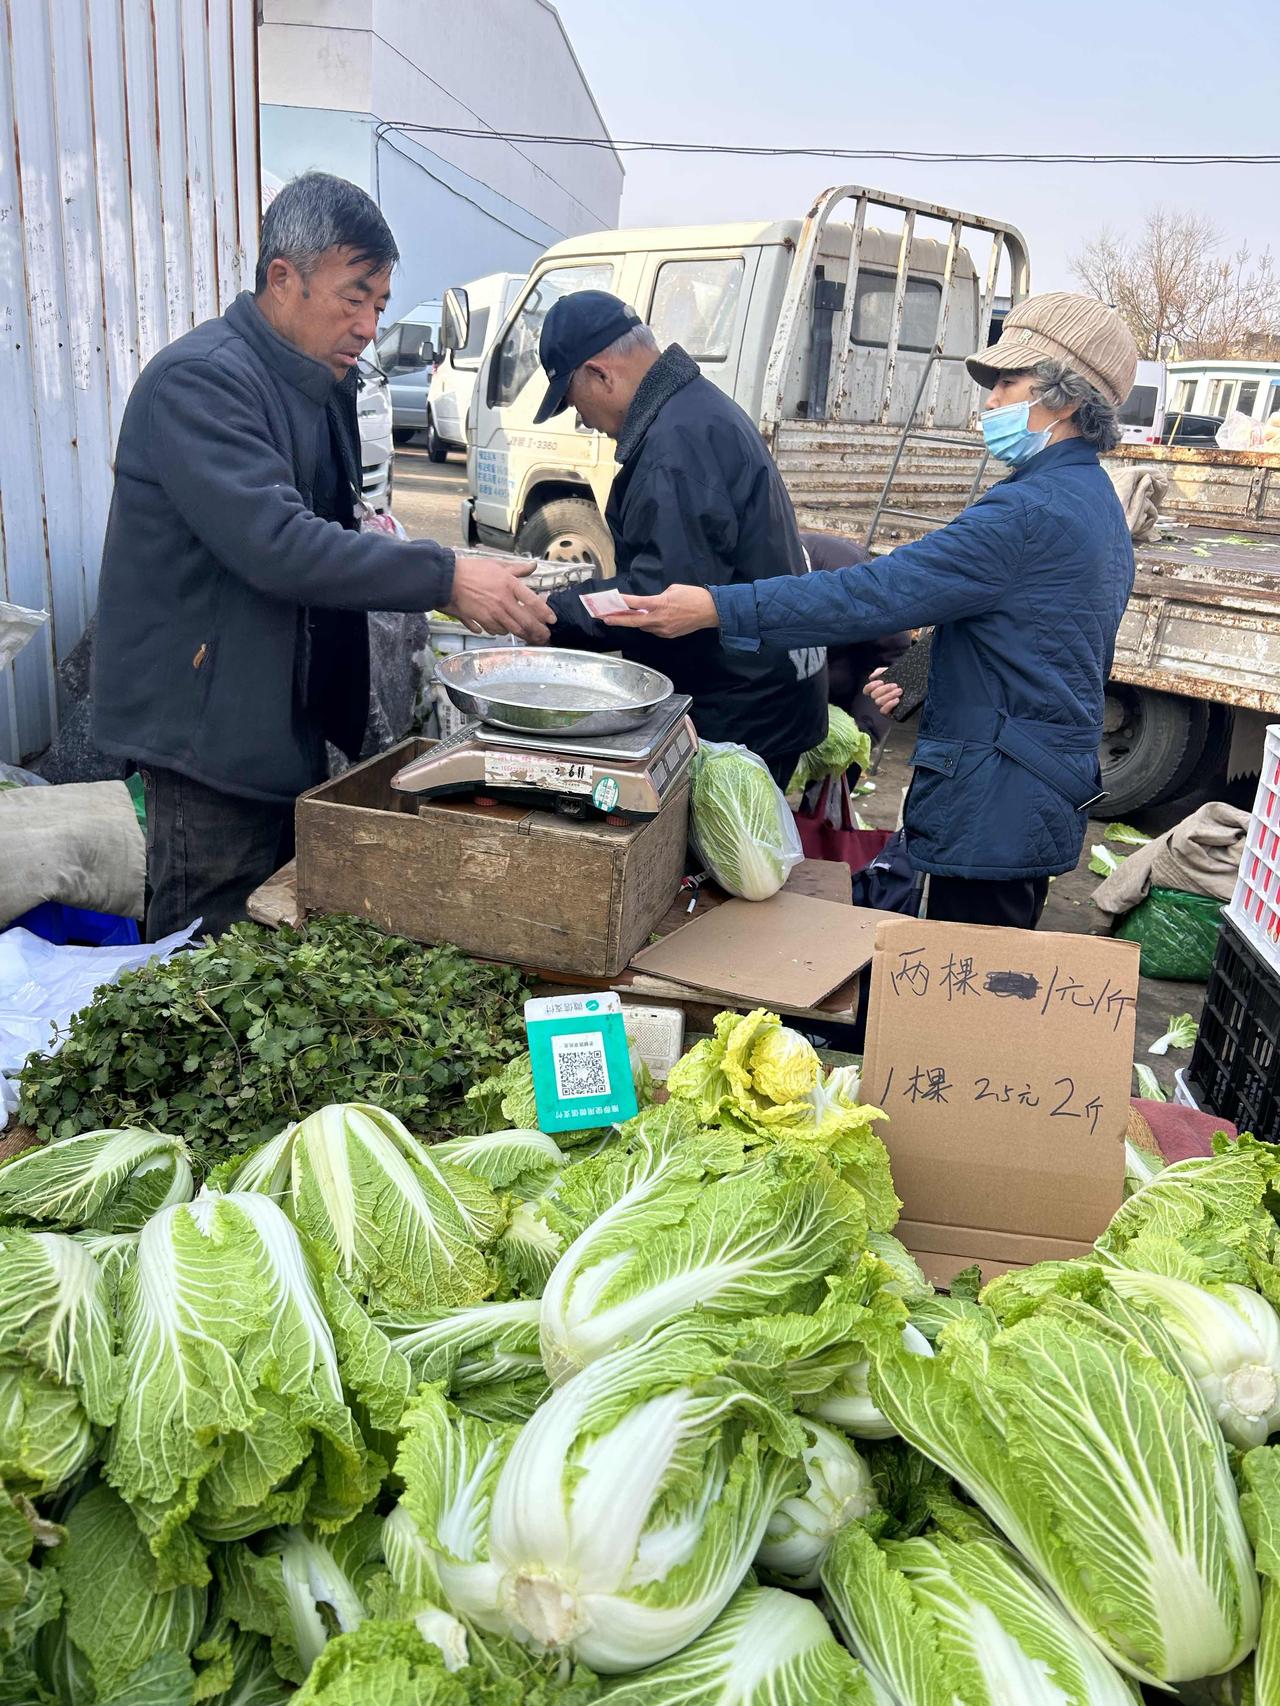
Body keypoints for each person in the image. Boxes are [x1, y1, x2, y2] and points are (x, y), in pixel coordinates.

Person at [93, 172, 552, 941]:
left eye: (379, 304)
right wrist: (445, 577)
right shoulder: (202, 382)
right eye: (355, 296)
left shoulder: (312, 383)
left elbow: (334, 521)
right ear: (284, 279)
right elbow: (278, 544)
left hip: (277, 722)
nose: (371, 324)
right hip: (207, 739)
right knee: (204, 965)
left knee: (271, 943)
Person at [600, 292, 1139, 930]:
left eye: (1009, 383)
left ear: (1067, 398)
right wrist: (912, 676)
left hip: (995, 805)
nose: (990, 401)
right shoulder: (1092, 500)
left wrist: (716, 606)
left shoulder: (1027, 513)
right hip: (1033, 793)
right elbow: (1033, 629)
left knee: (954, 987)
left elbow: (872, 592)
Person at [531, 290, 827, 786]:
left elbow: (664, 595)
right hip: (771, 687)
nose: (580, 418)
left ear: (600, 373)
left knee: (718, 862)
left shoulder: (677, 444)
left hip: (741, 708)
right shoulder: (694, 410)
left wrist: (555, 615)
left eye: (571, 399)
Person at [798, 530, 911, 744]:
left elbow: (895, 654)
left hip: (843, 708)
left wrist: (863, 734)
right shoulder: (743, 574)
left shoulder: (850, 573)